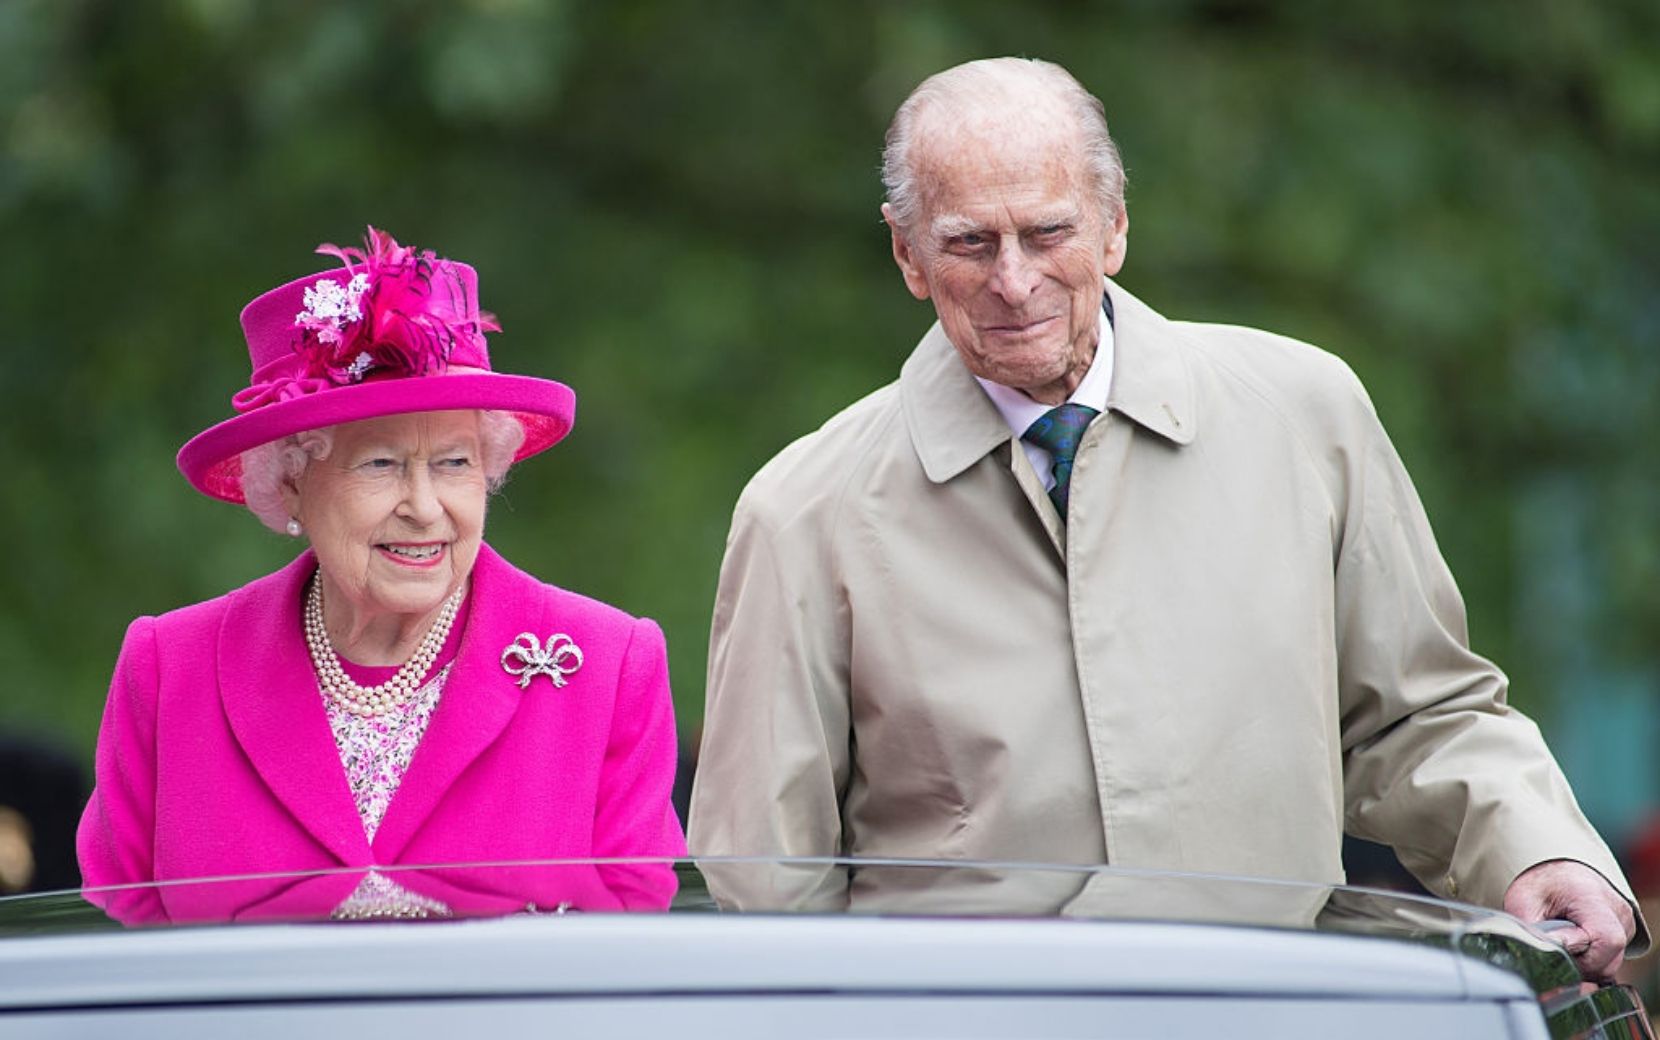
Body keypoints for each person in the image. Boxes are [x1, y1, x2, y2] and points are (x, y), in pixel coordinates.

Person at [688, 58, 1646, 977]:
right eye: (970, 242)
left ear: (1115, 230)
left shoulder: (1307, 415)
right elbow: (767, 888)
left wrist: (1535, 850)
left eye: (1049, 233)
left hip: (1272, 1011)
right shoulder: (802, 511)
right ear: (907, 252)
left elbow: (1419, 716)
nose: (1013, 281)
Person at [78, 227, 686, 923]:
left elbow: (633, 962)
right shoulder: (170, 668)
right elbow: (113, 939)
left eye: (454, 463)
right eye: (381, 464)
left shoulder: (607, 665)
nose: (425, 509)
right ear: (292, 483)